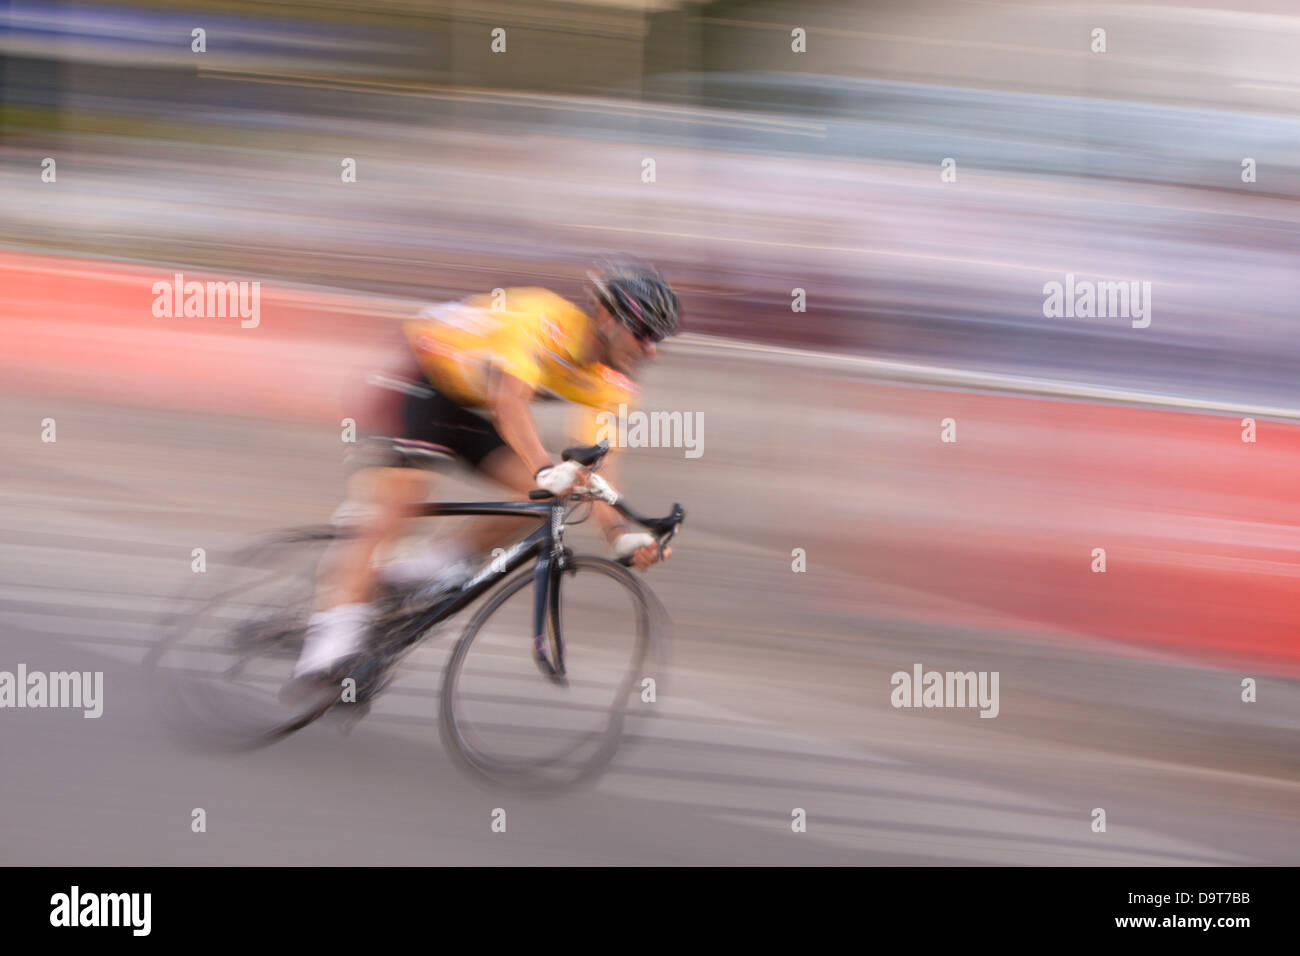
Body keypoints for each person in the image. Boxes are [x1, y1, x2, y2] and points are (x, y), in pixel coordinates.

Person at [292, 260, 680, 683]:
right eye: (644, 334)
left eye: (658, 338)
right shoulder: (543, 318)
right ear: (606, 318)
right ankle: (326, 647)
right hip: (418, 377)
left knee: (550, 496)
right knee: (396, 506)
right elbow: (508, 404)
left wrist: (618, 534)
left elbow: (602, 468)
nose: (651, 349)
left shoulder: (613, 380)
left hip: (465, 402)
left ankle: (430, 565)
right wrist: (543, 467)